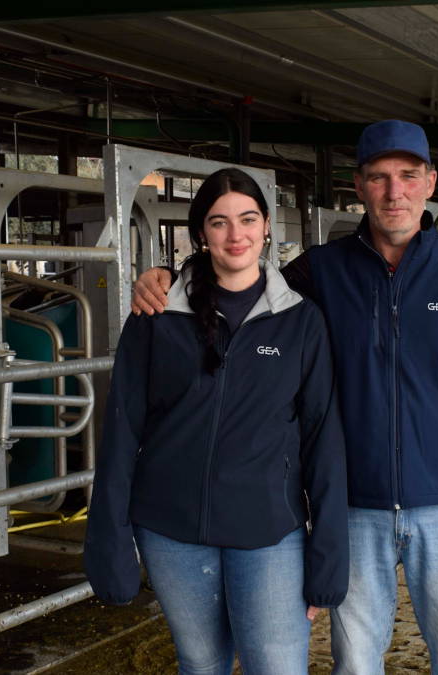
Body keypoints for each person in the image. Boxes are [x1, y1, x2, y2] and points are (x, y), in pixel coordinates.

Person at [130, 120, 438, 674]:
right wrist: (173, 275)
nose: (394, 192)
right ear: (357, 186)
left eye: (408, 176)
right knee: (355, 661)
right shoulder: (319, 270)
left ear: (430, 182)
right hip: (354, 508)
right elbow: (241, 277)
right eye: (379, 178)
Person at [85, 167, 349, 674]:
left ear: (267, 226)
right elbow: (122, 432)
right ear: (200, 232)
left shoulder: (300, 320)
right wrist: (110, 538)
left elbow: (323, 439)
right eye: (219, 222)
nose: (236, 235)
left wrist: (328, 554)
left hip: (270, 531)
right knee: (200, 664)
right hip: (171, 530)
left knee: (275, 666)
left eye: (248, 219)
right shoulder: (157, 314)